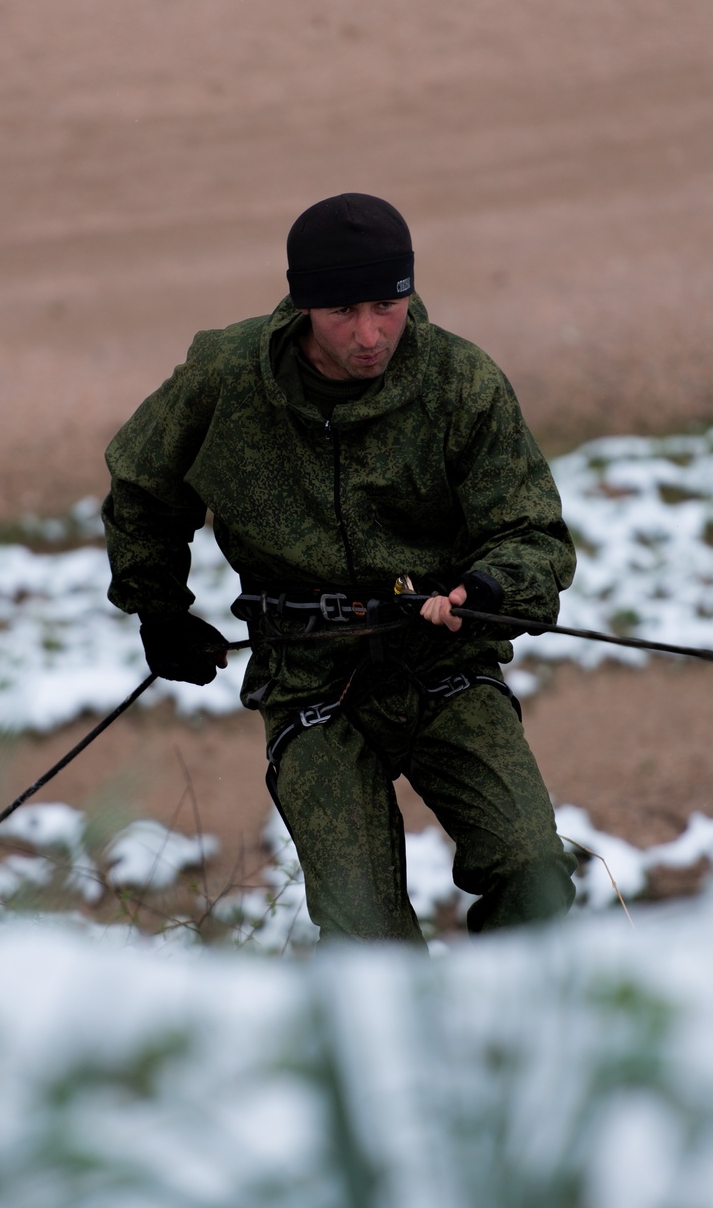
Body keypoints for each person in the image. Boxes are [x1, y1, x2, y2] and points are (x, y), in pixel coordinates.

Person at [103, 192, 577, 943]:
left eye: (386, 306)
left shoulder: (460, 382)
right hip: (309, 678)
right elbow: (142, 486)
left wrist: (486, 589)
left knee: (536, 875)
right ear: (303, 306)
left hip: (443, 661)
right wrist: (158, 608)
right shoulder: (225, 379)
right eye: (342, 313)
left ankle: (509, 1032)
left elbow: (532, 532)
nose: (368, 335)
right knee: (364, 930)